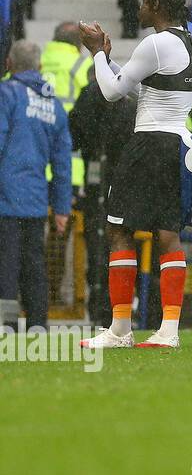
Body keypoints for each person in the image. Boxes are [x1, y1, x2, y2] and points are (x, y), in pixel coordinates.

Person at [78, 0, 192, 349]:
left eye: (144, 2)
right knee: (167, 235)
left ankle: (120, 329)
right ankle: (168, 331)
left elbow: (111, 91)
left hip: (148, 143)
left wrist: (97, 54)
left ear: (154, 4)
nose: (139, 8)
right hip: (175, 143)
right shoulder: (186, 42)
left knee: (119, 230)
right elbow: (140, 85)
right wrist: (109, 58)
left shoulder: (155, 42)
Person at [0, 40, 72, 331]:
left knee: (6, 267)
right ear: (40, 68)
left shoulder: (6, 94)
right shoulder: (53, 105)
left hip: (5, 198)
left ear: (9, 64)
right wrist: (62, 207)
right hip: (35, 201)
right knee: (34, 267)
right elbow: (62, 162)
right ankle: (38, 327)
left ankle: (6, 327)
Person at [69, 61, 136, 328]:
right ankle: (105, 312)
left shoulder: (126, 107)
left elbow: (75, 134)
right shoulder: (98, 103)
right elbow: (75, 135)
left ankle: (111, 312)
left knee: (112, 249)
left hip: (114, 190)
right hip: (105, 188)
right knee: (103, 250)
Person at [41, 22, 92, 307]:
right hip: (68, 168)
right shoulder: (82, 68)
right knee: (60, 233)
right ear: (78, 45)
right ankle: (53, 294)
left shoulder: (31, 65)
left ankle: (29, 290)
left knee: (29, 230)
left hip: (34, 166)